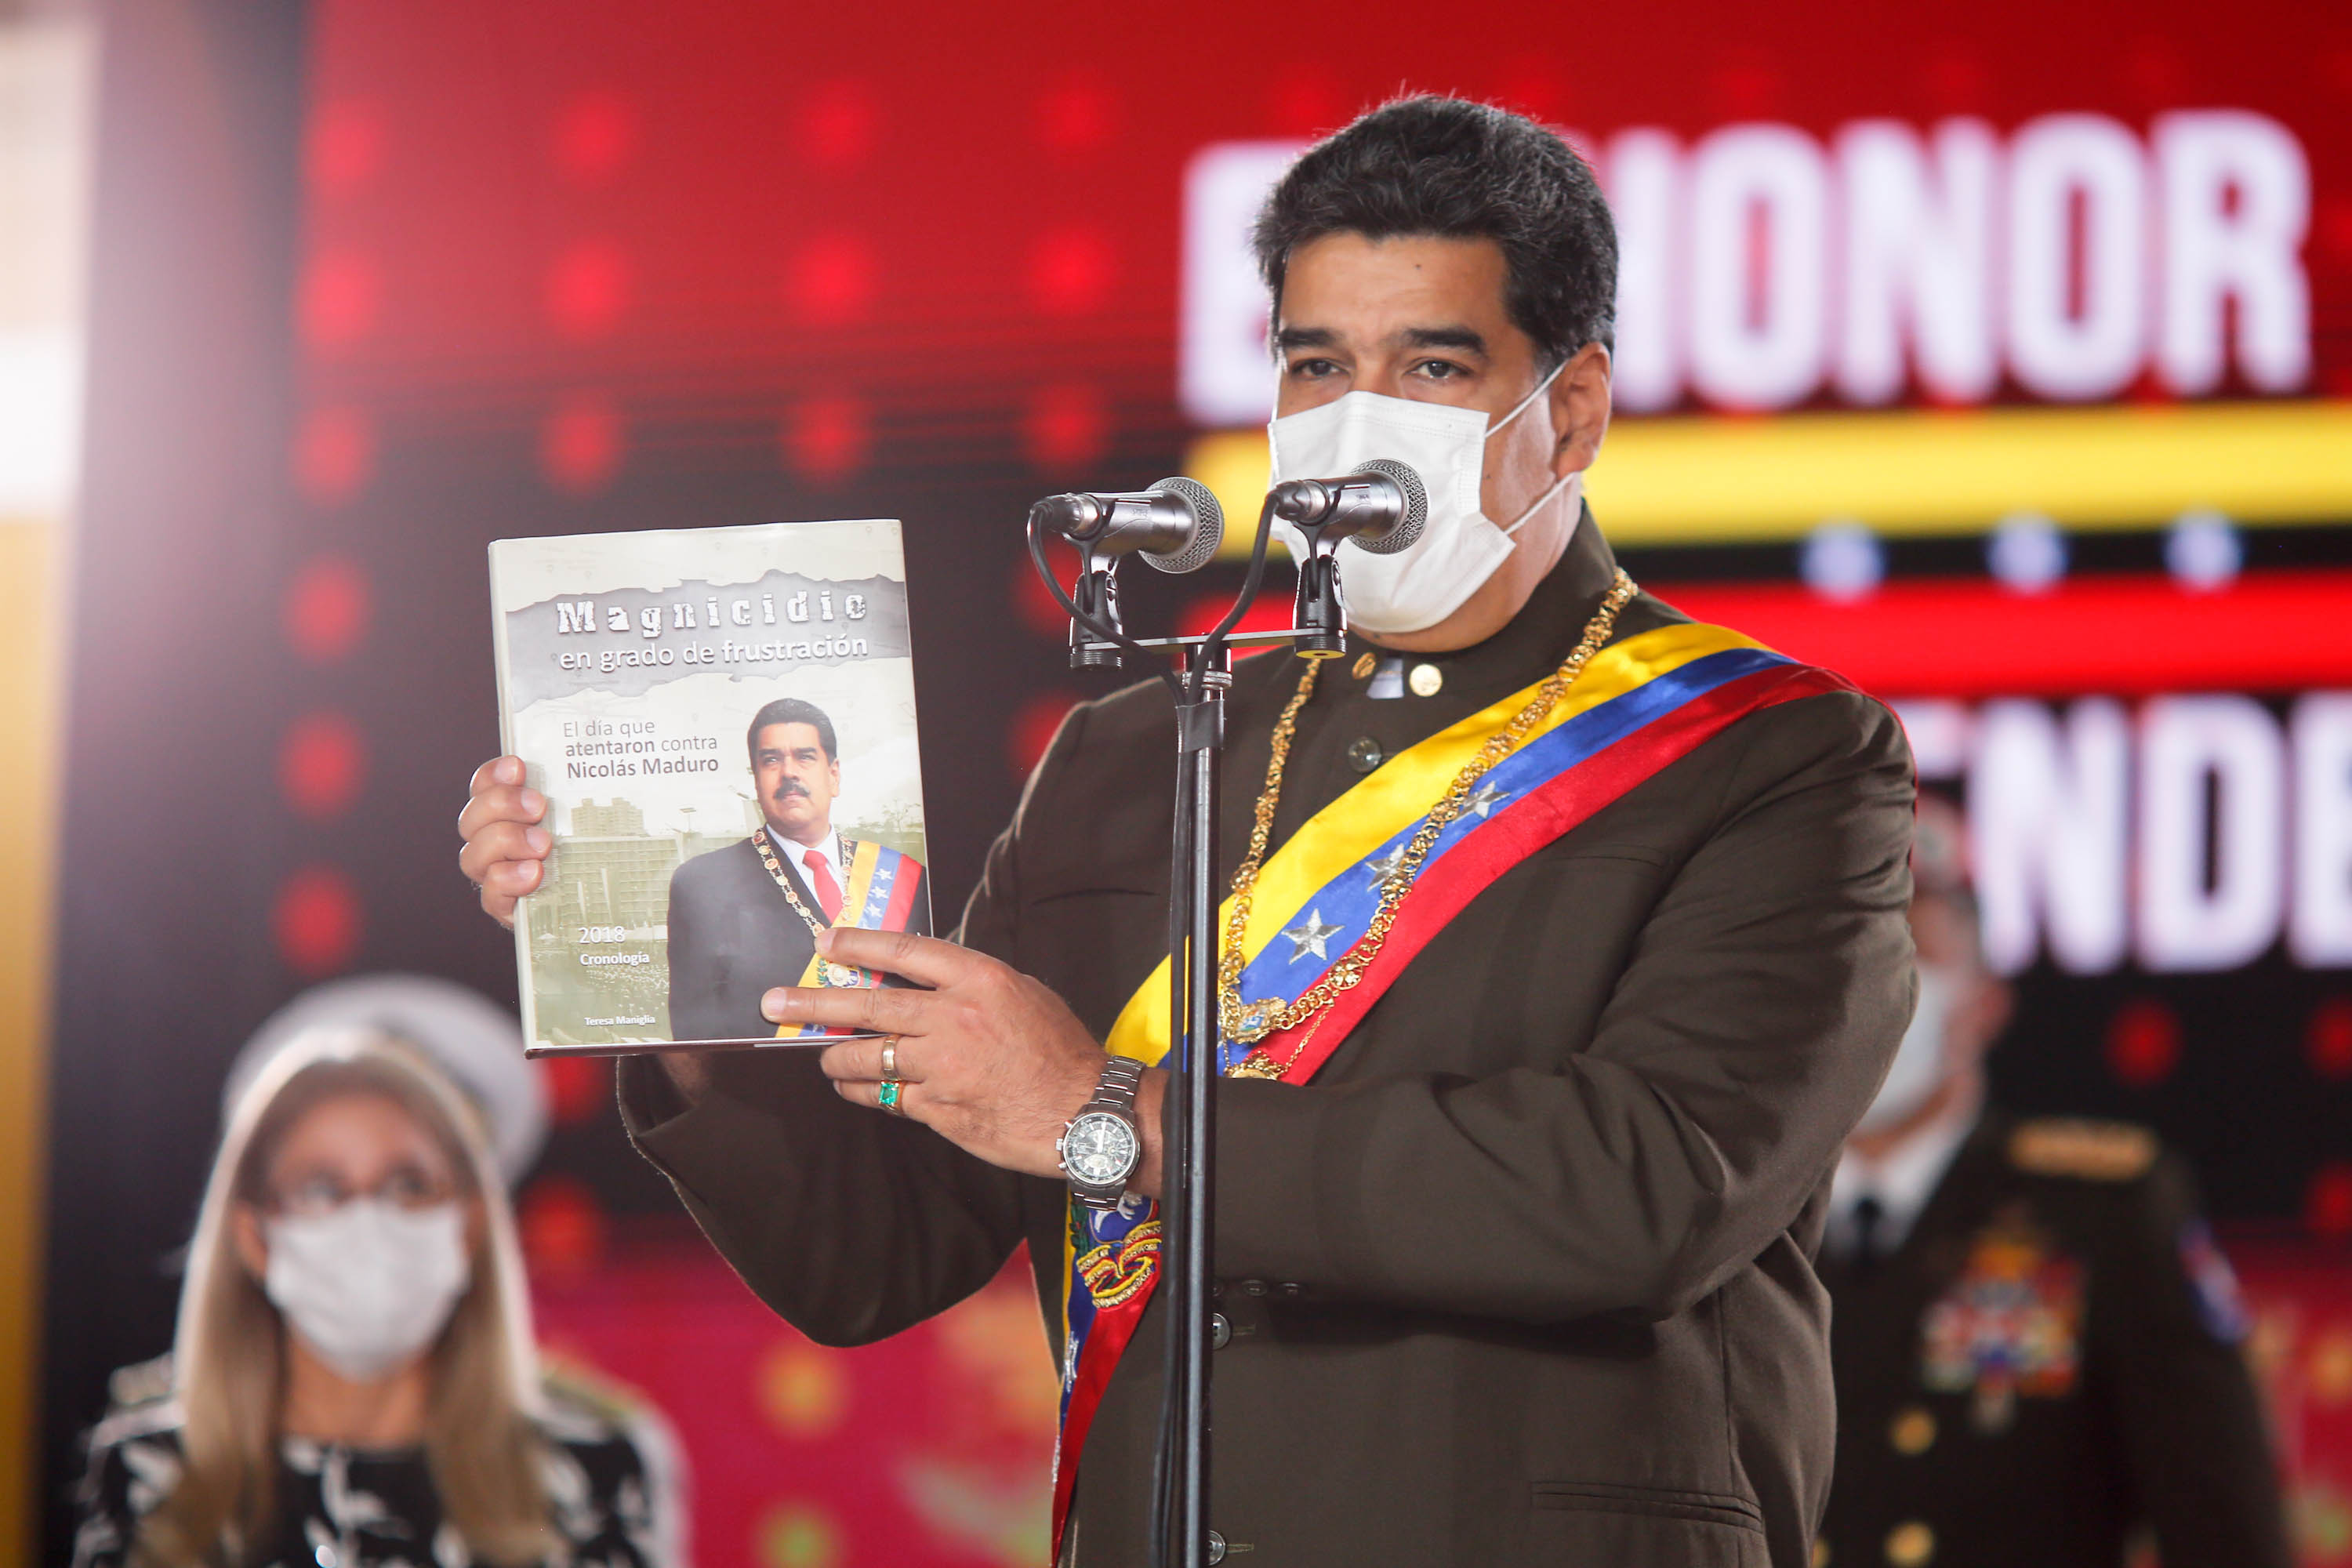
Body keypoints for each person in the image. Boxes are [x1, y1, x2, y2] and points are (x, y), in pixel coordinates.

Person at [461, 96, 1915, 1566]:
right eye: (1319, 363)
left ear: (1575, 410)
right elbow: (883, 1250)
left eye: (1433, 363)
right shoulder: (1135, 749)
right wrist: (657, 968)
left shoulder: (1771, 755)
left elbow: (1642, 1192)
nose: (1364, 413)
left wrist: (1116, 1119)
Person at [1816, 797, 2289, 1568]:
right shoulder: (1729, 1211)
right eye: (1846, 948)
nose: (1874, 986)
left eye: (1913, 952)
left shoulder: (2104, 1207)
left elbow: (2225, 1527)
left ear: (1986, 1001)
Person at [72, 978, 683, 1568]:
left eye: (409, 1185)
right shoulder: (151, 1474)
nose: (367, 1220)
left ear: (468, 1225)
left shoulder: (591, 1474)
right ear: (254, 1236)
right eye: (321, 1187)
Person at [664, 696, 930, 1043]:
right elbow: (694, 1036)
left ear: (833, 776)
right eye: (771, 760)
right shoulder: (702, 883)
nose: (789, 772)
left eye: (805, 757)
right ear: (756, 781)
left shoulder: (908, 878)